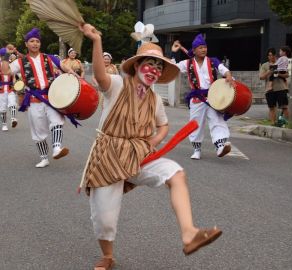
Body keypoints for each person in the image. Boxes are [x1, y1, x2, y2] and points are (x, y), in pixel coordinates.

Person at [79, 23, 222, 270]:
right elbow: (100, 76)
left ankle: (189, 234)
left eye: (159, 67)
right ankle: (108, 256)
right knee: (104, 217)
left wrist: (153, 142)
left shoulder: (155, 99)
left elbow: (163, 126)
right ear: (136, 66)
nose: (154, 70)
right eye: (150, 64)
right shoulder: (117, 85)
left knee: (175, 172)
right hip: (109, 155)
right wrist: (96, 41)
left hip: (139, 155)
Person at [1, 28, 75, 168]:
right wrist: (6, 55)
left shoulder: (49, 58)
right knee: (38, 132)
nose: (35, 43)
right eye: (32, 41)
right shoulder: (20, 62)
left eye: (37, 41)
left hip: (51, 97)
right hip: (34, 100)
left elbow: (64, 67)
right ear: (26, 44)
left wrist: (73, 75)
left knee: (57, 121)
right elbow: (6, 71)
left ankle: (57, 148)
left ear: (40, 44)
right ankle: (44, 158)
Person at [171, 34, 235, 160]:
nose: (203, 49)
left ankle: (220, 146)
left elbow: (222, 69)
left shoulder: (212, 61)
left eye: (205, 47)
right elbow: (174, 68)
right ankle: (196, 149)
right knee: (196, 124)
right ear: (194, 50)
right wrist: (173, 53)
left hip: (212, 96)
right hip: (197, 98)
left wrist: (228, 75)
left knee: (217, 120)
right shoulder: (187, 63)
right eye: (200, 47)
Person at [259, 47, 289, 125]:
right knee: (271, 107)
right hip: (269, 90)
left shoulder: (280, 63)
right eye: (269, 55)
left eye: (272, 55)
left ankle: (288, 124)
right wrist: (269, 72)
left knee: (284, 106)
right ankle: (273, 123)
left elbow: (287, 75)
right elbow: (261, 77)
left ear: (275, 55)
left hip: (281, 88)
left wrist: (278, 74)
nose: (270, 57)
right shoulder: (265, 65)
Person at [0, 47, 18, 130]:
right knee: (3, 109)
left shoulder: (11, 65)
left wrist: (15, 84)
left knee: (13, 103)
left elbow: (14, 76)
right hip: (1, 90)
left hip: (10, 88)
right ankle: (4, 124)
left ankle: (13, 119)